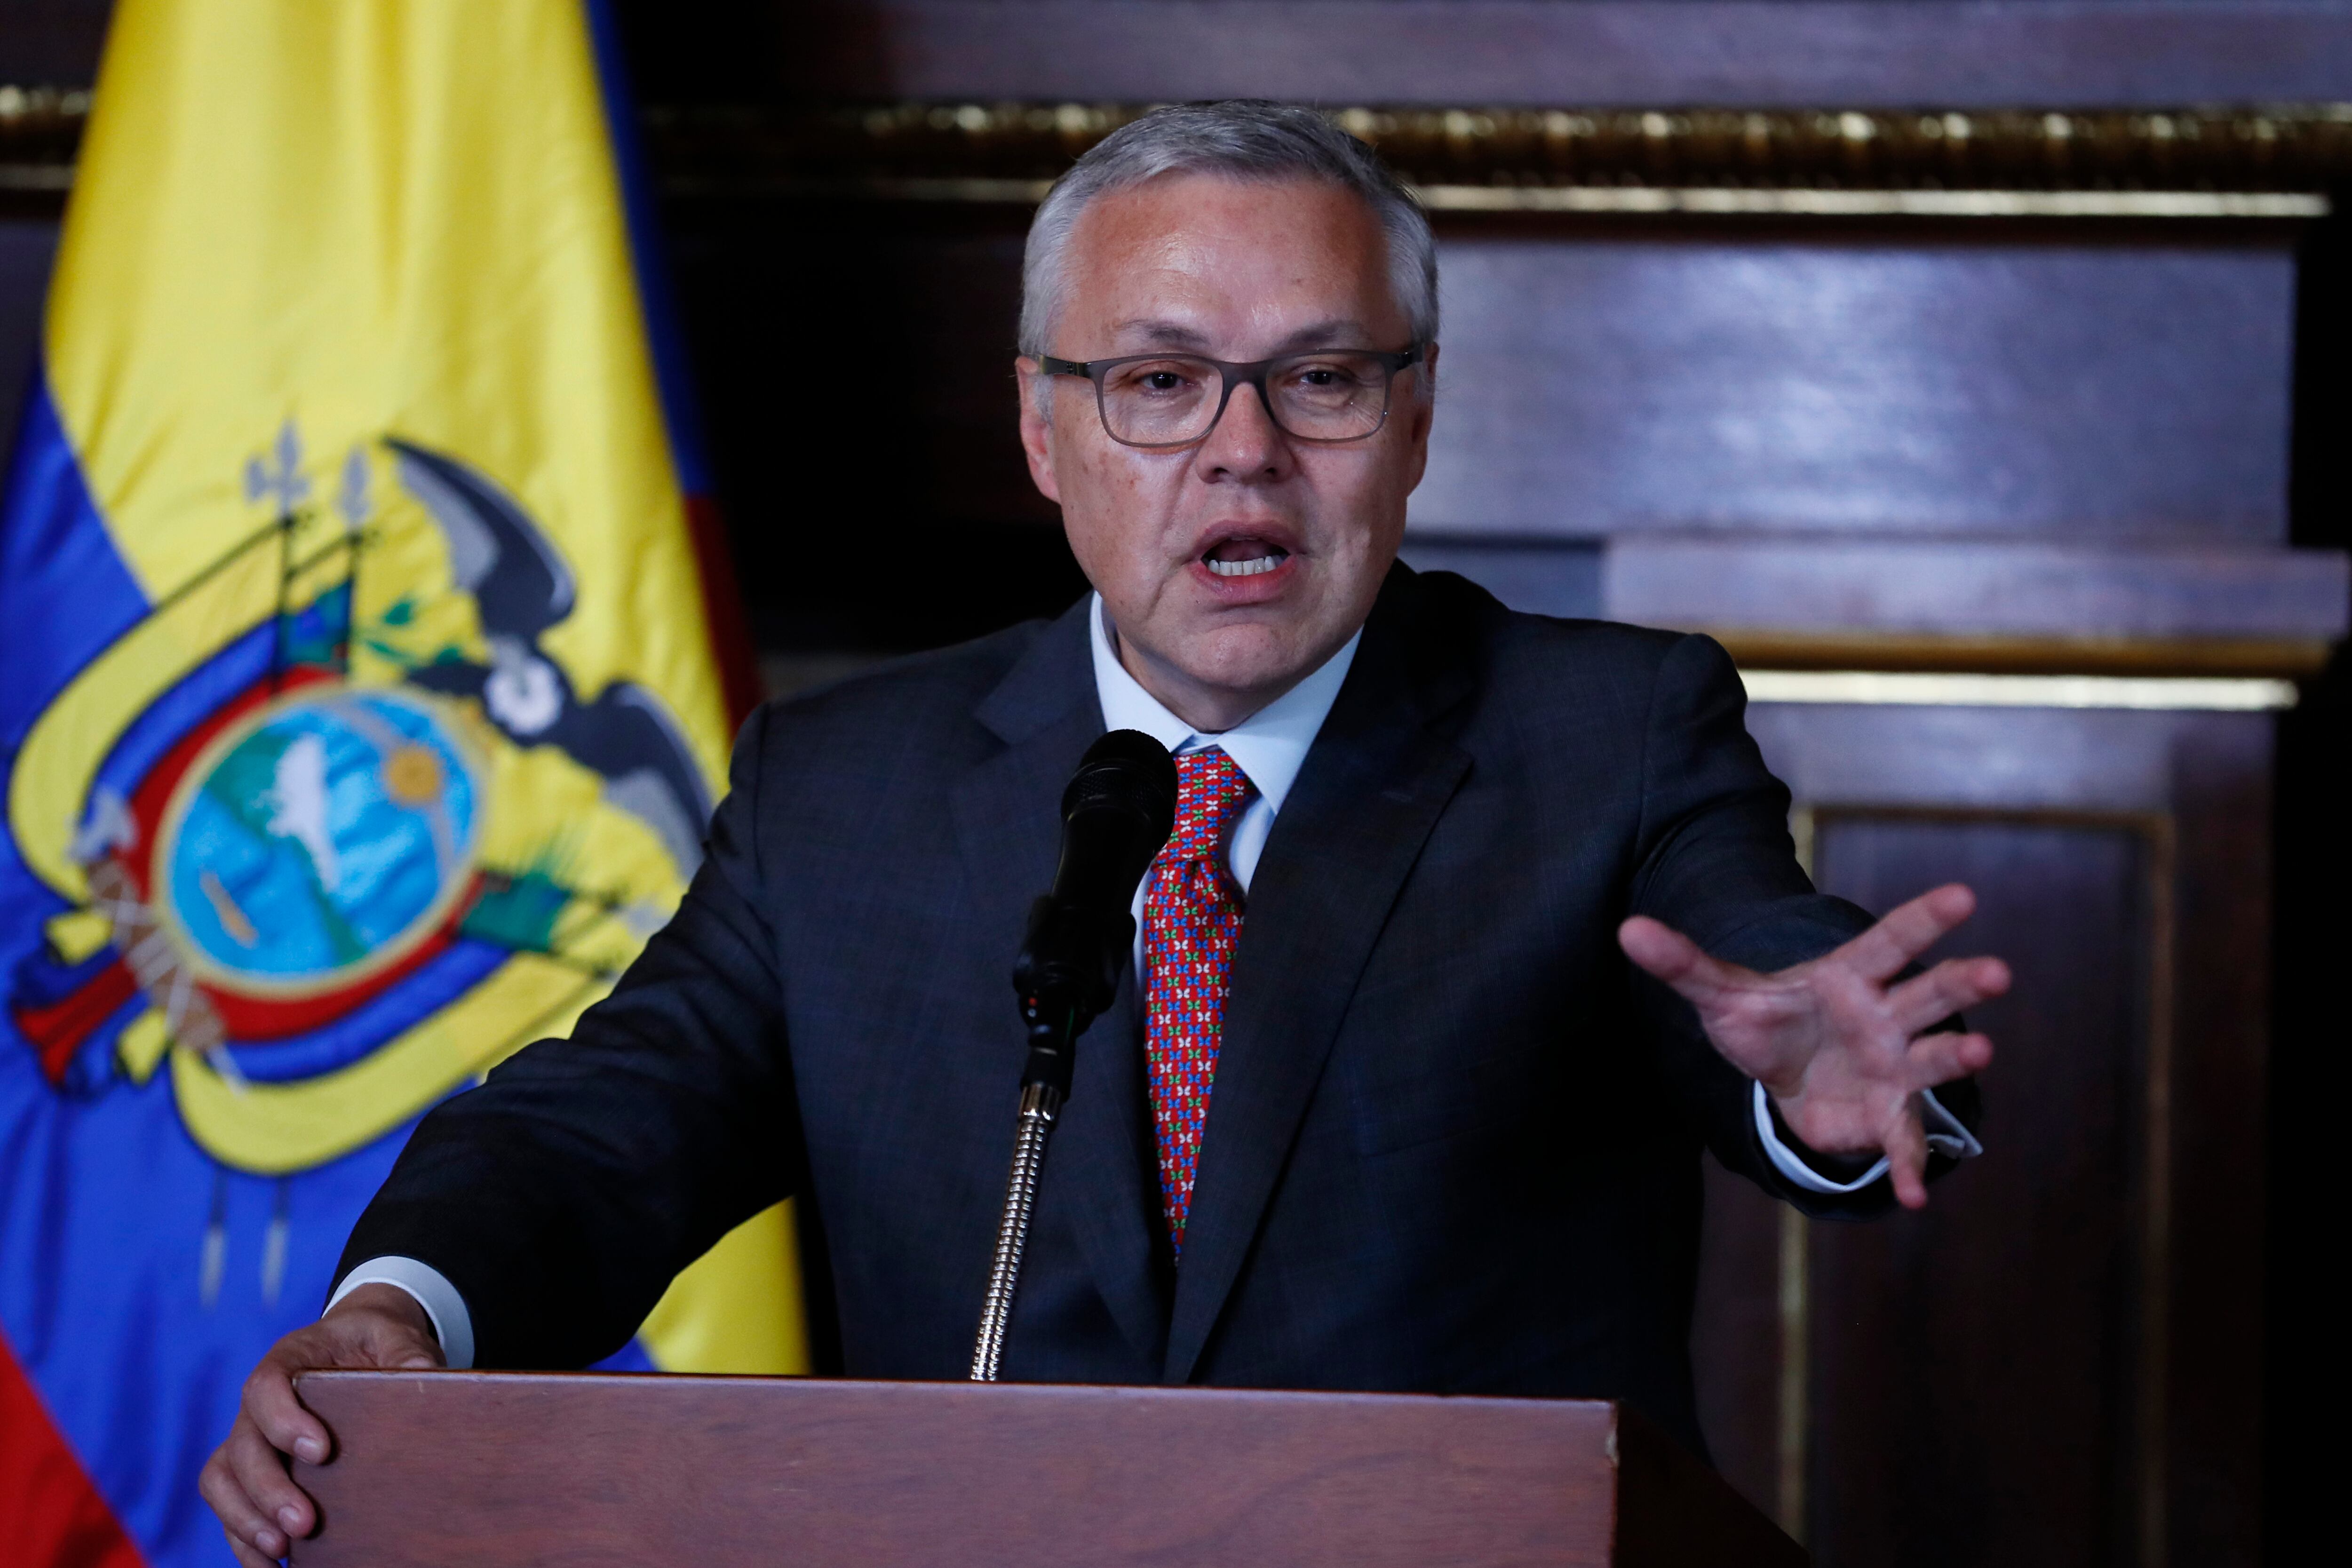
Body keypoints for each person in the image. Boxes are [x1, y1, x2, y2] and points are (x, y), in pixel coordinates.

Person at [202, 101, 2007, 1565]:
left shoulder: (1600, 733)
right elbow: (620, 1119)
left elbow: (1754, 947)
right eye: (1158, 384)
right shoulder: (855, 782)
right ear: (1044, 430)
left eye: (1322, 380)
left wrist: (1812, 1086)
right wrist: (408, 1311)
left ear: (1417, 421)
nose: (1243, 452)